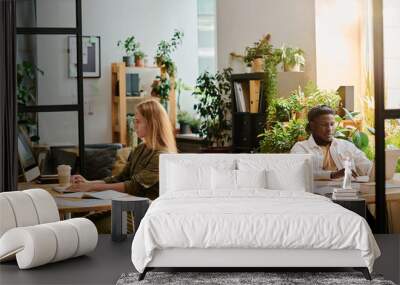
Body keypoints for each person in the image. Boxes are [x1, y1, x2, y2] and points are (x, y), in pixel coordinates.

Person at [68, 99, 177, 200]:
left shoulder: (162, 156)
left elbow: (133, 186)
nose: (134, 126)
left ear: (152, 124)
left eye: (138, 122)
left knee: (91, 219)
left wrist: (92, 187)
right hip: (128, 204)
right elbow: (121, 178)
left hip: (145, 212)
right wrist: (88, 183)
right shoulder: (139, 149)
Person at [291, 105, 372, 180]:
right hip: (315, 194)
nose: (329, 129)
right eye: (324, 125)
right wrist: (333, 175)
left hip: (346, 194)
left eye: (332, 124)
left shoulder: (346, 146)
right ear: (312, 126)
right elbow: (298, 173)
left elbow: (368, 168)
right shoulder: (301, 148)